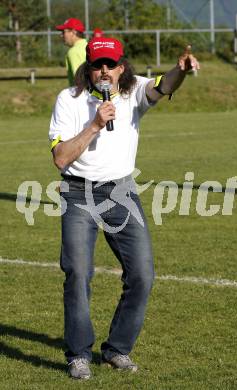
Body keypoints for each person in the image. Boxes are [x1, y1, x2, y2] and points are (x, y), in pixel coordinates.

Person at [49, 37, 200, 380]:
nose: (104, 71)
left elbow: (162, 86)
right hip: (78, 193)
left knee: (143, 275)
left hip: (122, 192)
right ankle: (78, 355)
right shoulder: (69, 100)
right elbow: (60, 158)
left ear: (122, 67)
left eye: (111, 64)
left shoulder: (134, 93)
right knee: (77, 275)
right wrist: (95, 125)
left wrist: (181, 70)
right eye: (97, 64)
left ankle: (117, 349)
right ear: (87, 68)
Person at [56, 18, 87, 86]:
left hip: (82, 94)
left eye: (63, 32)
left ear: (73, 32)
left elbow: (80, 80)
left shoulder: (73, 52)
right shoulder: (88, 45)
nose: (61, 35)